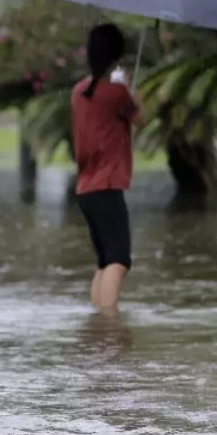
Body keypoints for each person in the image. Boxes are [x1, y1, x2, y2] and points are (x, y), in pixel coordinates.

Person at [71, 23, 143, 315]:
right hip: (108, 185)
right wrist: (128, 89)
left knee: (104, 262)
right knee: (119, 260)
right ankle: (110, 325)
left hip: (87, 188)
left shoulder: (79, 91)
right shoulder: (116, 94)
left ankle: (99, 318)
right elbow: (142, 119)